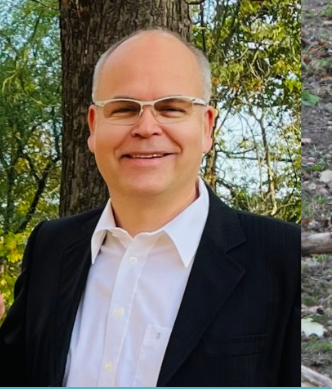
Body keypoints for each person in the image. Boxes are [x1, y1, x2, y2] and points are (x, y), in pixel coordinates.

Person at [0, 29, 299, 386]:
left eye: (171, 108)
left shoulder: (287, 257)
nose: (146, 127)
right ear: (94, 127)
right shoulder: (51, 247)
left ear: (206, 128)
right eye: (124, 108)